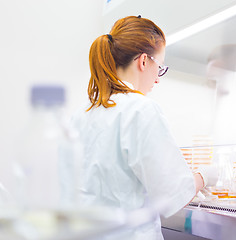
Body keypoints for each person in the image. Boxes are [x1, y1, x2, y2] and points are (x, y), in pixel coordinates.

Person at [70, 16, 216, 240]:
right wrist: (206, 175)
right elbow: (174, 193)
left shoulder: (83, 113)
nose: (157, 79)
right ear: (144, 61)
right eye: (160, 67)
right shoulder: (140, 110)